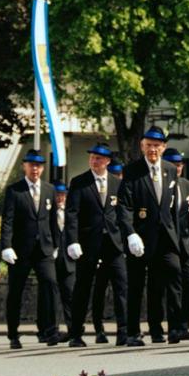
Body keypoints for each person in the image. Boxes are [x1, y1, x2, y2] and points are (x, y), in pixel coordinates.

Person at [119, 126, 182, 346]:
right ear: (142, 146)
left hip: (166, 236)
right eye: (149, 145)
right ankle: (133, 332)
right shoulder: (132, 171)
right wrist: (130, 234)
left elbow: (173, 207)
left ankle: (171, 328)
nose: (152, 149)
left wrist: (178, 235)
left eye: (157, 145)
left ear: (163, 147)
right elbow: (125, 207)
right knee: (136, 285)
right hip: (141, 237)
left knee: (170, 277)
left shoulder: (170, 169)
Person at [64, 143, 128, 348]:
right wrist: (72, 240)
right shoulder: (79, 182)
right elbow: (72, 213)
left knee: (121, 286)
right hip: (88, 242)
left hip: (113, 242)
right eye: (92, 157)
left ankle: (124, 332)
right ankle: (75, 333)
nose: (94, 161)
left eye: (99, 158)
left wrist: (129, 238)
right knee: (82, 286)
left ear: (108, 161)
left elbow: (124, 214)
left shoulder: (117, 184)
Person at [0, 150, 62, 349]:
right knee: (16, 291)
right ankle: (13, 334)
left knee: (50, 284)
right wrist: (6, 246)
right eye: (31, 165)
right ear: (24, 166)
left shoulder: (49, 189)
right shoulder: (14, 190)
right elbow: (7, 221)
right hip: (21, 249)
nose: (35, 169)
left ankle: (50, 330)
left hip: (43, 248)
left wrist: (56, 245)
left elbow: (52, 221)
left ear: (42, 168)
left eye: (38, 165)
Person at [163, 149, 189, 342]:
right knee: (173, 282)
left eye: (179, 165)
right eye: (172, 164)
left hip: (185, 241)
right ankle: (174, 327)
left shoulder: (187, 185)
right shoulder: (161, 186)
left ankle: (184, 325)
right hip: (168, 242)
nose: (176, 168)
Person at [90, 160, 128, 344]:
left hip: (116, 246)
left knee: (121, 288)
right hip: (98, 245)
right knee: (99, 290)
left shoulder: (123, 189)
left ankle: (123, 329)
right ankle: (99, 328)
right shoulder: (99, 187)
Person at [52, 183, 75, 339]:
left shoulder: (72, 212)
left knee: (70, 295)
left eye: (63, 195)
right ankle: (52, 330)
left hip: (68, 259)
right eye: (58, 196)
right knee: (52, 296)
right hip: (51, 258)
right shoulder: (48, 213)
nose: (60, 198)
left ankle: (72, 329)